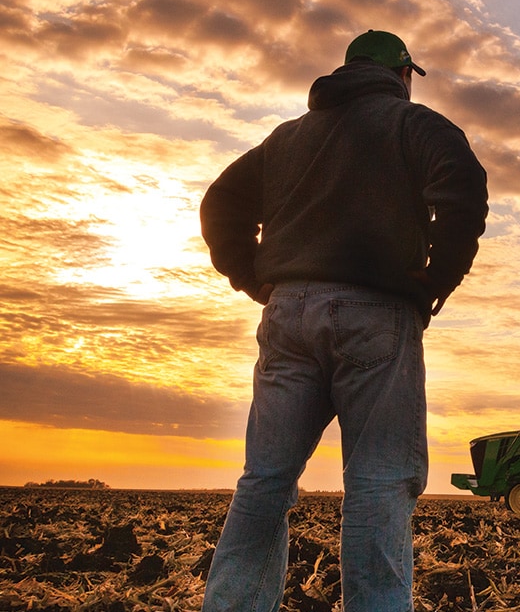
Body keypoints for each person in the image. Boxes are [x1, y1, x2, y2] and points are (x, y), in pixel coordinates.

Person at [199, 30, 488, 611]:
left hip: (289, 315)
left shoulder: (286, 139)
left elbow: (220, 203)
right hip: (377, 316)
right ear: (403, 75)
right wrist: (436, 281)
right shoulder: (415, 125)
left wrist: (254, 278)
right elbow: (464, 187)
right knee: (380, 482)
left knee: (266, 480)